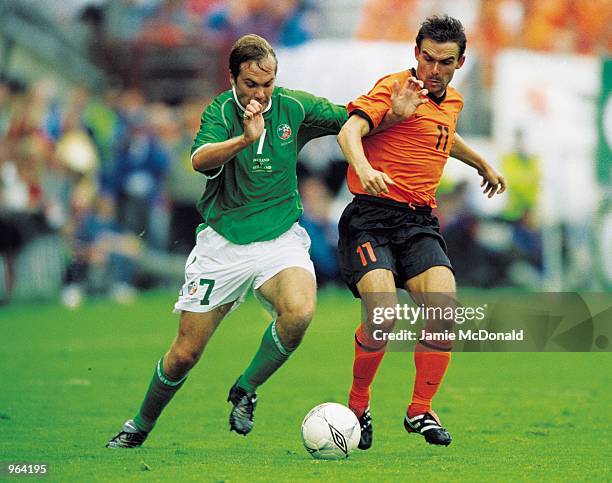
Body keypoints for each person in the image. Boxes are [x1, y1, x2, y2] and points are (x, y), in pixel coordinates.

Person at [106, 33, 347, 448]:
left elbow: (351, 116)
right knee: (184, 354)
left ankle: (245, 388)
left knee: (300, 311)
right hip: (224, 245)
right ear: (233, 77)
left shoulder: (293, 106)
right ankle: (140, 426)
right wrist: (244, 140)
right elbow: (200, 160)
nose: (260, 92)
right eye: (251, 84)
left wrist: (394, 106)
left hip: (280, 240)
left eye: (267, 83)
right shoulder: (220, 111)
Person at [336, 15, 506, 450]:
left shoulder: (452, 102)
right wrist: (364, 167)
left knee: (445, 310)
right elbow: (349, 131)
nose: (434, 69)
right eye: (427, 58)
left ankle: (419, 410)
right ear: (416, 54)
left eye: (444, 62)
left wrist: (483, 163)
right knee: (383, 315)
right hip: (371, 217)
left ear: (459, 62)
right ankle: (357, 407)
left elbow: (443, 135)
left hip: (418, 222)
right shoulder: (394, 88)